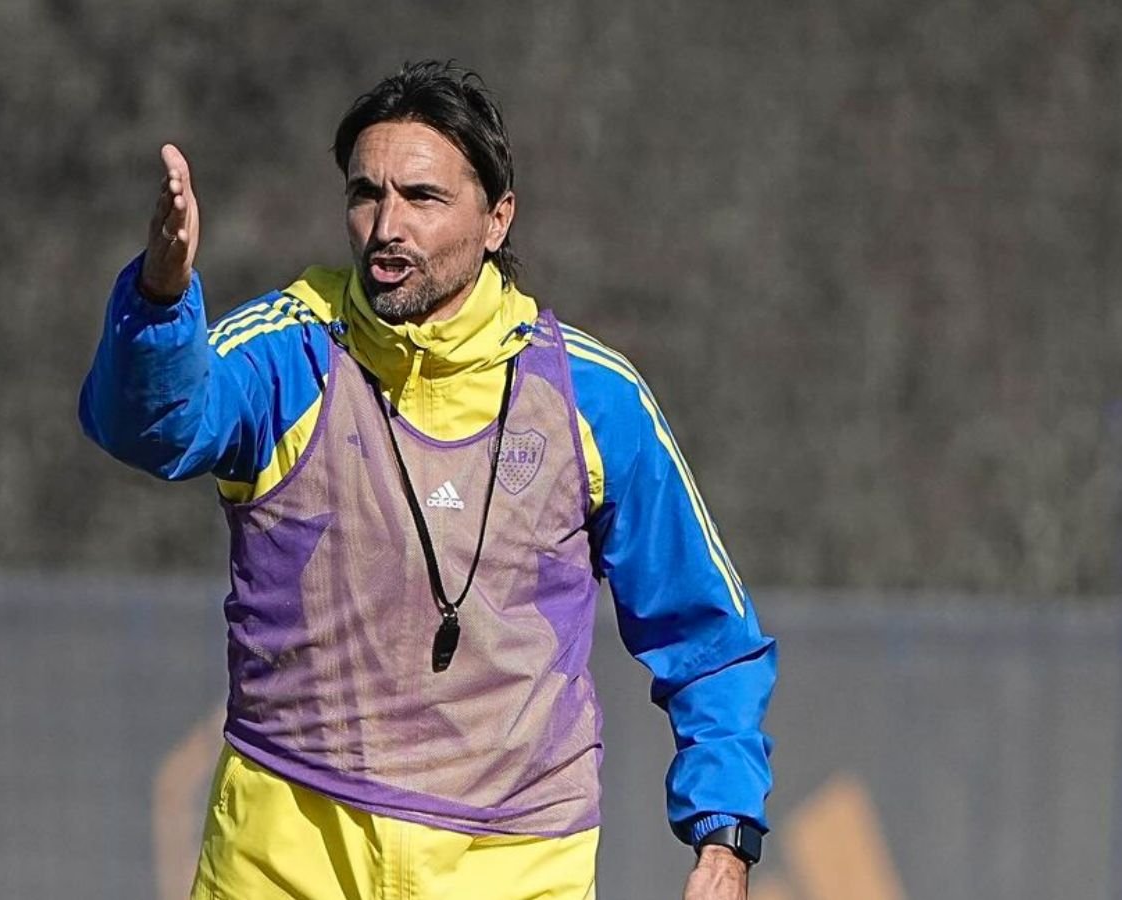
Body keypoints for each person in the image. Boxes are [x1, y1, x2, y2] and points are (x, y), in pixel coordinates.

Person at [80, 60, 776, 900]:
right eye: (366, 194)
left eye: (422, 197)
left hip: (515, 864)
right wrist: (160, 297)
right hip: (287, 848)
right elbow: (153, 428)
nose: (387, 226)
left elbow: (708, 638)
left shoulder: (593, 398)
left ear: (496, 218)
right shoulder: (290, 352)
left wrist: (723, 837)